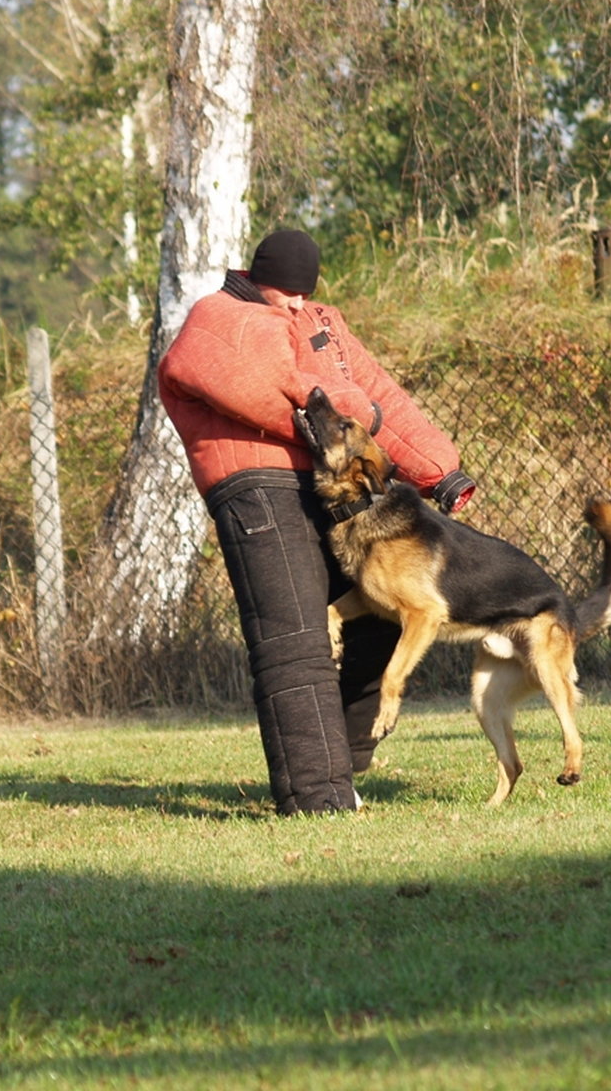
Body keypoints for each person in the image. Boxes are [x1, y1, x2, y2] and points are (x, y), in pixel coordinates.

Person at [158, 229, 476, 815]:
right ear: (257, 280)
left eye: (307, 294)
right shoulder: (222, 315)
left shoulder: (317, 320)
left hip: (329, 490)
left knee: (382, 611)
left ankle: (347, 754)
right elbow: (266, 387)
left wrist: (439, 469)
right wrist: (338, 410)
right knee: (295, 640)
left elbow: (378, 394)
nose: (299, 304)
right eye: (287, 293)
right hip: (257, 487)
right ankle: (317, 796)